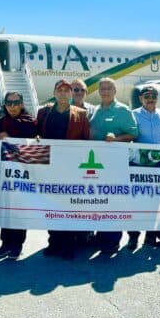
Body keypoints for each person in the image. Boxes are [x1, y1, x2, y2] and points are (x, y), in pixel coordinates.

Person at [36, 79, 91, 259]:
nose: (63, 93)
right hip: (49, 168)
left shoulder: (81, 115)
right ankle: (54, 242)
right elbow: (36, 134)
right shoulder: (43, 113)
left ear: (71, 94)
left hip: (71, 169)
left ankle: (69, 244)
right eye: (59, 90)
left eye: (67, 91)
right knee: (51, 206)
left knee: (69, 207)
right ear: (54, 93)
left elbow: (86, 142)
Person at [89, 77, 139, 253]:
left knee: (114, 202)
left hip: (117, 164)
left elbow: (133, 133)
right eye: (102, 88)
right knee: (99, 200)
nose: (105, 91)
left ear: (115, 91)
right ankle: (101, 236)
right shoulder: (96, 111)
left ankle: (112, 240)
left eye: (109, 88)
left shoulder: (123, 110)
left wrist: (116, 139)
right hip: (97, 165)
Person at [129, 85, 160, 249]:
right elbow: (129, 135)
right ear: (141, 99)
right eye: (147, 96)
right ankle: (133, 237)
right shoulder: (133, 114)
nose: (150, 99)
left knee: (156, 201)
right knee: (136, 200)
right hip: (139, 163)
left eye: (153, 96)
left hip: (159, 162)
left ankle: (151, 236)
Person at [0, 91, 38, 259]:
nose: (12, 106)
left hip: (23, 173)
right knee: (6, 207)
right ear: (5, 105)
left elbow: (31, 141)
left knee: (20, 209)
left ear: (21, 103)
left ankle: (17, 245)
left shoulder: (31, 122)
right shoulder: (0, 122)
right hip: (5, 173)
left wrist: (10, 137)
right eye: (9, 103)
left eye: (15, 102)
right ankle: (5, 243)